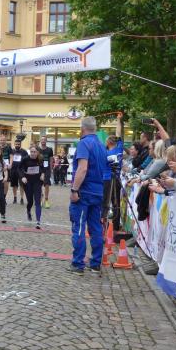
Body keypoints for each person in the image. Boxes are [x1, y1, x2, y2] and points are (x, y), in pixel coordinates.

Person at [68, 116, 108, 275]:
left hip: (84, 191)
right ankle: (95, 263)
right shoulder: (101, 145)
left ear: (82, 128)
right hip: (98, 191)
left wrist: (74, 190)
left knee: (78, 226)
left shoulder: (84, 143)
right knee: (96, 227)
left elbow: (82, 168)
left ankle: (78, 264)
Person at [102, 119, 124, 229]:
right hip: (116, 178)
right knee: (116, 203)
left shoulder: (105, 153)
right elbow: (118, 134)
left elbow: (118, 134)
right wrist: (119, 120)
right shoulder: (119, 148)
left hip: (107, 179)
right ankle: (115, 225)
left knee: (105, 202)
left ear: (109, 142)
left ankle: (103, 223)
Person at [20, 145, 45, 229]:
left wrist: (42, 174)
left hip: (37, 182)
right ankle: (28, 210)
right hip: (27, 182)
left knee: (37, 201)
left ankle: (38, 222)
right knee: (30, 201)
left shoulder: (40, 159)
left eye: (34, 152)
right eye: (31, 152)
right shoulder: (25, 159)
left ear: (37, 152)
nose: (33, 153)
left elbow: (44, 169)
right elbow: (19, 169)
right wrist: (22, 177)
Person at [8, 139, 28, 204]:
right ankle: (15, 198)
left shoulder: (24, 152)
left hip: (21, 170)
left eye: (18, 144)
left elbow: (26, 161)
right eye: (16, 144)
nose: (17, 145)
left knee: (22, 185)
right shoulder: (12, 151)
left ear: (20, 144)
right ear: (14, 144)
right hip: (13, 170)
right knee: (14, 185)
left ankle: (22, 198)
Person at [38, 136, 54, 208]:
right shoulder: (37, 149)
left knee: (47, 185)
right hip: (39, 169)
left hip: (47, 169)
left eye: (44, 140)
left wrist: (51, 169)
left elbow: (51, 160)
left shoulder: (49, 149)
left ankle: (46, 200)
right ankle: (40, 200)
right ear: (40, 141)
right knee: (39, 185)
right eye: (42, 140)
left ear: (46, 141)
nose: (43, 141)